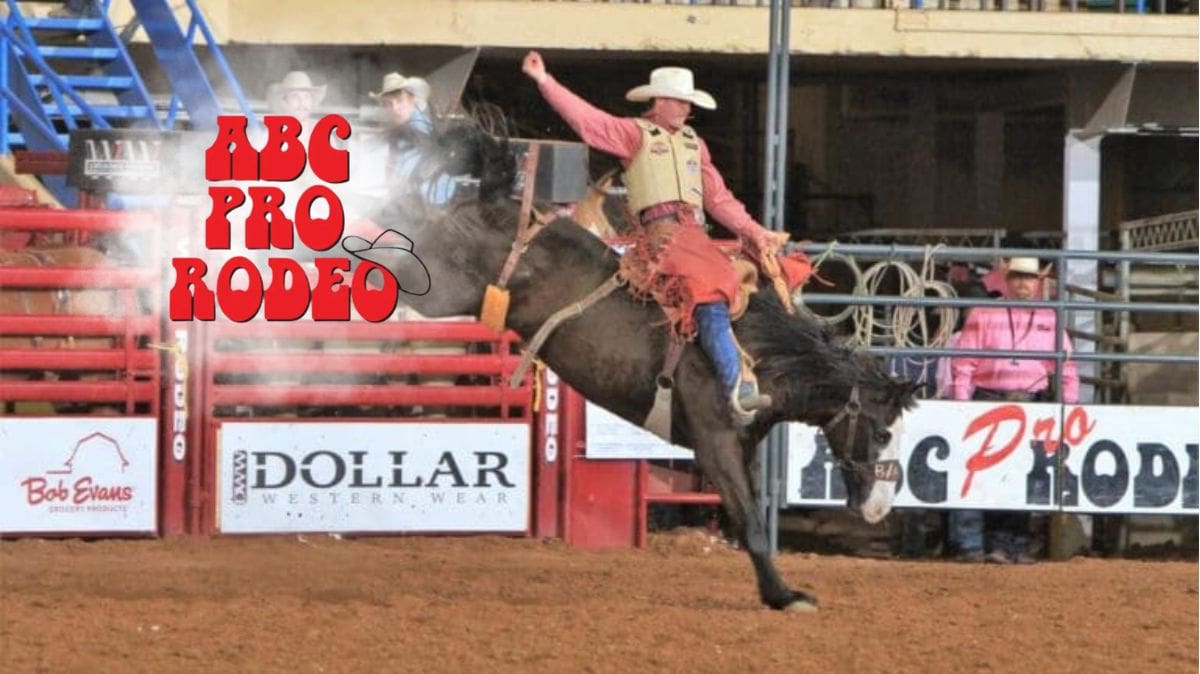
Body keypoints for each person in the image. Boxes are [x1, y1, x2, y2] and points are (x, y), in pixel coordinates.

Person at [521, 51, 793, 425]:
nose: (686, 109)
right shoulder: (634, 134)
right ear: (659, 101)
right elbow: (589, 122)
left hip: (694, 236)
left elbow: (718, 198)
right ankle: (736, 384)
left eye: (688, 103)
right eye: (680, 101)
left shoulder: (694, 144)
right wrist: (545, 81)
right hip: (663, 237)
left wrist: (755, 232)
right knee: (710, 290)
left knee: (770, 277)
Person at [948, 256, 1080, 564]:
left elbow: (1067, 368)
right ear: (1007, 280)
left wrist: (1069, 406)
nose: (1023, 283)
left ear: (1038, 283)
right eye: (1018, 276)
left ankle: (1006, 545)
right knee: (978, 471)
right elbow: (964, 363)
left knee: (1018, 473)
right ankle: (972, 545)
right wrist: (961, 404)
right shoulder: (984, 313)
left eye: (1029, 278)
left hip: (1027, 402)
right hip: (988, 399)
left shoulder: (1050, 319)